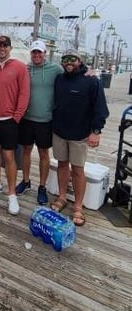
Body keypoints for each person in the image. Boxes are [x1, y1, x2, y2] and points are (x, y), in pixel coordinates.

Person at [50, 49, 109, 226]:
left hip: (80, 134)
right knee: (61, 165)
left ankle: (78, 206)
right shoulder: (59, 79)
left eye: (72, 59)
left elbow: (101, 109)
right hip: (59, 131)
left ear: (80, 61)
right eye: (65, 59)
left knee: (77, 170)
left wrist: (96, 131)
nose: (68, 62)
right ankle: (62, 197)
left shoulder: (92, 81)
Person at [0, 35, 30, 215]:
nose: (2, 48)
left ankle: (11, 194)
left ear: (10, 48)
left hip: (10, 120)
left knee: (9, 156)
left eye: (5, 45)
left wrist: (16, 117)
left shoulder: (19, 67)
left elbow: (24, 94)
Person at [15, 40, 63, 205]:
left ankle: (42, 186)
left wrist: (88, 72)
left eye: (39, 52)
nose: (36, 55)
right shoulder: (25, 69)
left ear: (44, 53)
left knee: (44, 153)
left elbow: (71, 75)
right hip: (26, 118)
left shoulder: (55, 69)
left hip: (46, 120)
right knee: (26, 150)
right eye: (34, 52)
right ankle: (26, 181)